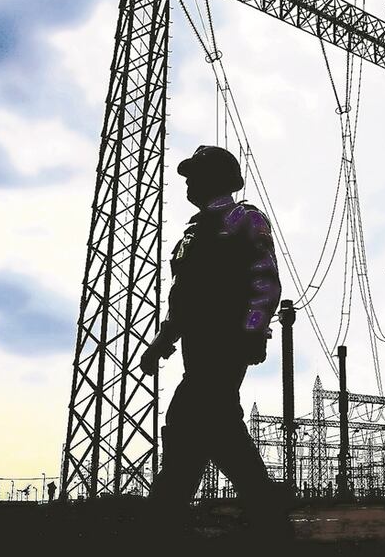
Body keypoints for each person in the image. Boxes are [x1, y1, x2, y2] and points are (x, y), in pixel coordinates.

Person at [141, 145, 289, 534]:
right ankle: (269, 521)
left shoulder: (245, 220)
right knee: (217, 429)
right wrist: (163, 340)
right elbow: (184, 297)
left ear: (217, 179)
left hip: (225, 343)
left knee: (187, 419)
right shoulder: (193, 232)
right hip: (199, 346)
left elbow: (265, 279)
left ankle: (163, 519)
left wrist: (252, 331)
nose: (188, 182)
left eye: (195, 175)